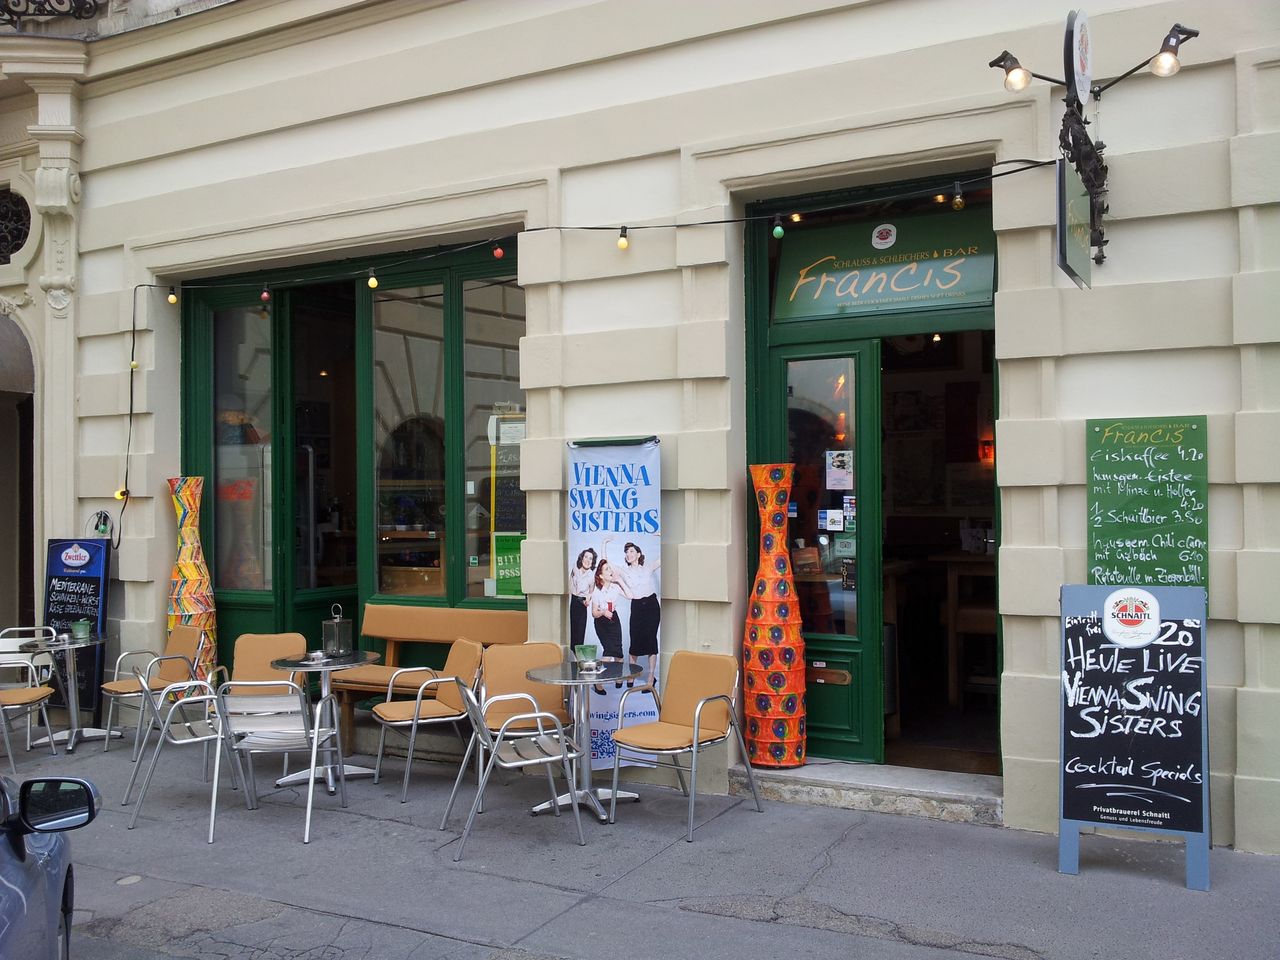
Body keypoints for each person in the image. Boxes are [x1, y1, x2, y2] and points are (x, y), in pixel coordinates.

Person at [614, 539, 660, 686]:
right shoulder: (624, 570)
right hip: (637, 606)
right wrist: (604, 544)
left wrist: (661, 537)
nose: (628, 554)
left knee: (651, 640)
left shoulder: (647, 567)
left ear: (639, 554)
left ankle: (651, 677)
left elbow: (664, 557)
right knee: (635, 640)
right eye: (626, 552)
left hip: (652, 606)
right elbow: (605, 563)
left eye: (632, 551)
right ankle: (632, 674)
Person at [590, 559, 630, 672]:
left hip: (614, 619)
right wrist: (603, 612)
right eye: (607, 569)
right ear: (601, 575)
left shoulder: (615, 587)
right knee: (608, 650)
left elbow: (630, 596)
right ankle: (598, 681)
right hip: (601, 621)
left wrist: (620, 581)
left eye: (610, 568)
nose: (610, 571)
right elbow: (594, 613)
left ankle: (619, 678)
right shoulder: (596, 591)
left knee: (618, 651)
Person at [568, 547, 597, 649]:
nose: (588, 560)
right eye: (586, 557)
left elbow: (591, 592)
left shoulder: (591, 576)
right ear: (582, 558)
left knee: (580, 633)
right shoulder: (574, 569)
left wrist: (587, 599)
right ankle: (573, 659)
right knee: (572, 631)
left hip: (582, 603)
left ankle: (578, 660)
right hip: (573, 601)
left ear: (592, 561)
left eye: (590, 558)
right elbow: (570, 585)